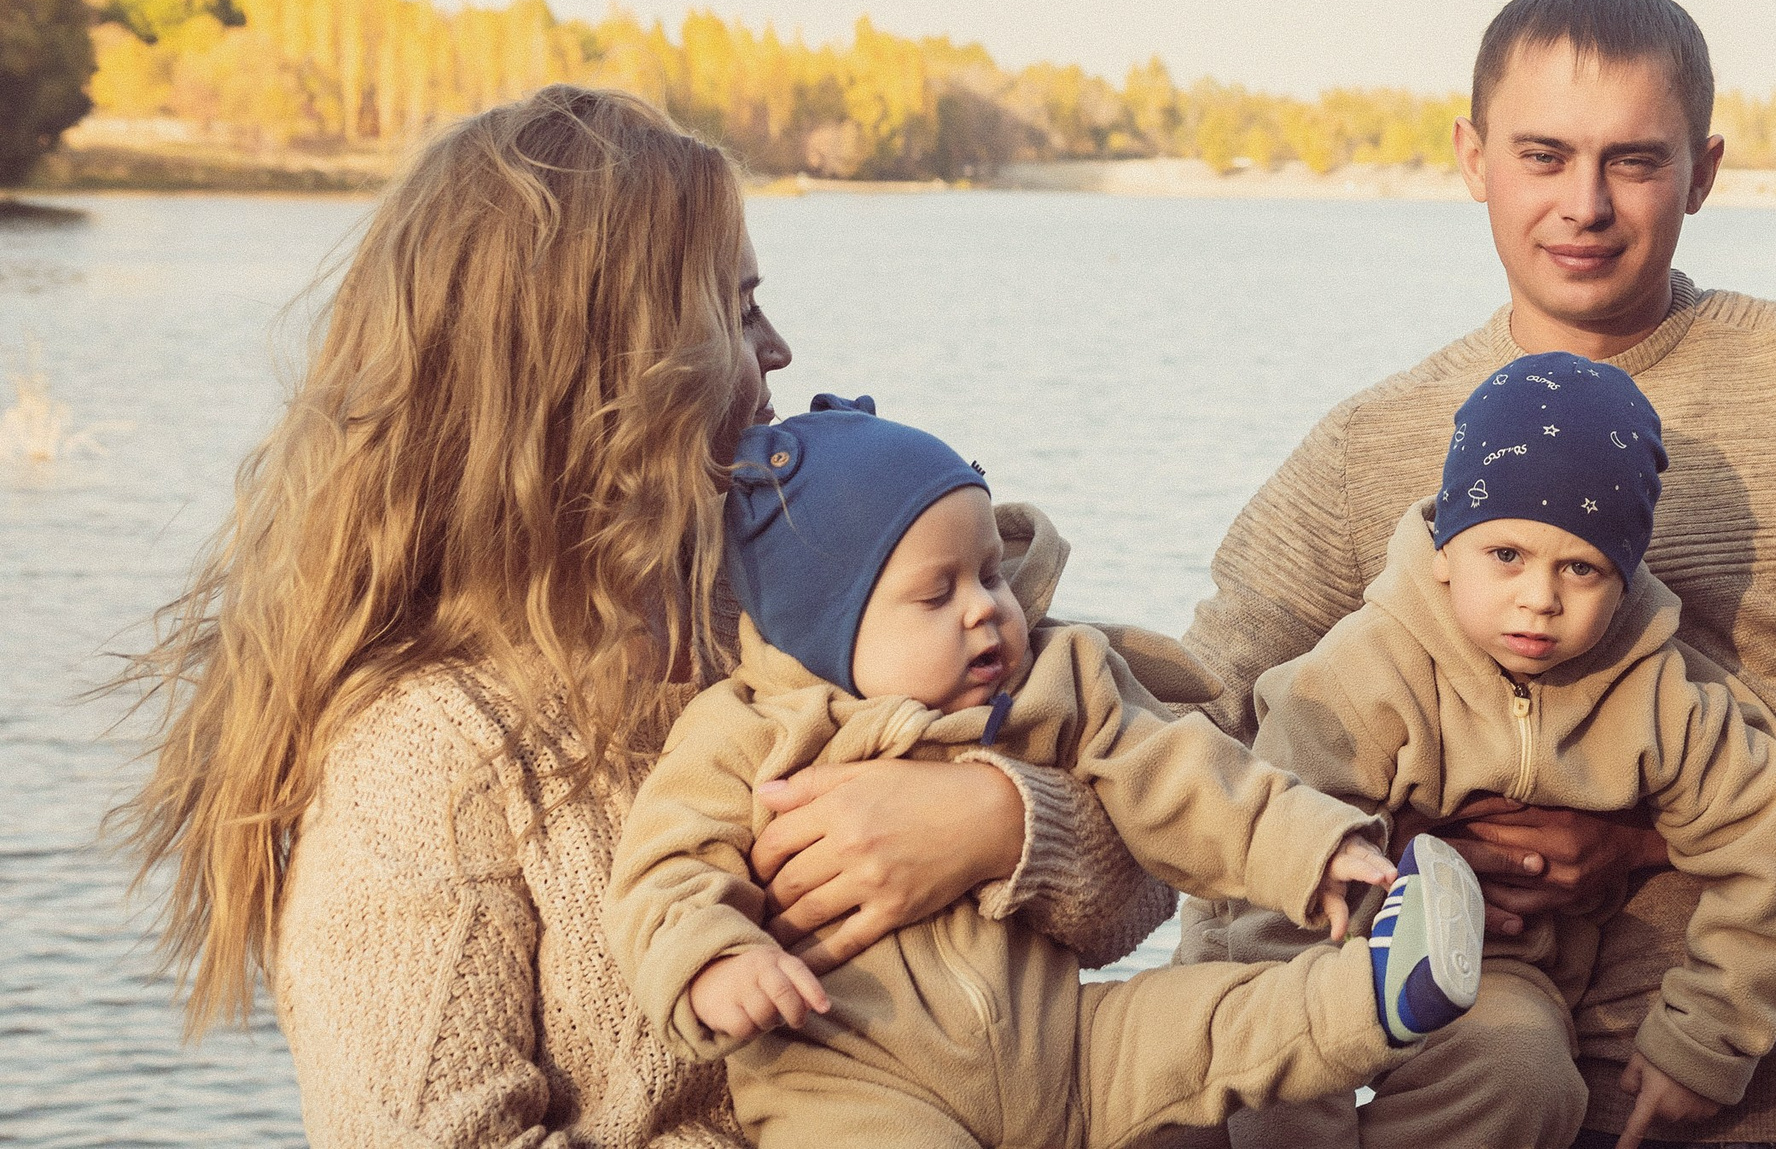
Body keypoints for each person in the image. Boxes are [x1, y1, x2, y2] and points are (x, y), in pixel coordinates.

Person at [118, 85, 1174, 1148]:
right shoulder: (428, 760)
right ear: (607, 369)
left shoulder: (795, 592)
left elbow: (1156, 850)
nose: (781, 349)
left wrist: (997, 824)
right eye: (739, 310)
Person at [1181, 0, 1776, 1147]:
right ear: (1473, 158)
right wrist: (999, 820)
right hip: (1492, 1098)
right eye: (1543, 156)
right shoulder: (1369, 444)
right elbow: (1205, 722)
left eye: (1632, 161)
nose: (1584, 205)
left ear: (1702, 172)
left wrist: (1653, 830)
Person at [607, 395, 1489, 1148]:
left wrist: (1311, 847)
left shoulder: (1047, 682)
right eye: (937, 592)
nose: (986, 610)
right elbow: (668, 870)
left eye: (991, 573)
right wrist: (717, 962)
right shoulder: (742, 733)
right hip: (852, 1076)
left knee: (1213, 1018)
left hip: (1062, 1047)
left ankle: (1381, 991)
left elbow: (1178, 771)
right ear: (822, 626)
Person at [1197, 356, 1776, 1149]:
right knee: (1228, 1096)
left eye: (1581, 567)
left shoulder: (1659, 693)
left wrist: (1705, 1041)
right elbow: (1275, 886)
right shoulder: (1359, 675)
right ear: (1445, 547)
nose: (1540, 598)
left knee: (1526, 1073)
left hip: (1486, 964)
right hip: (1285, 951)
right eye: (1506, 555)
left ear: (1625, 577)